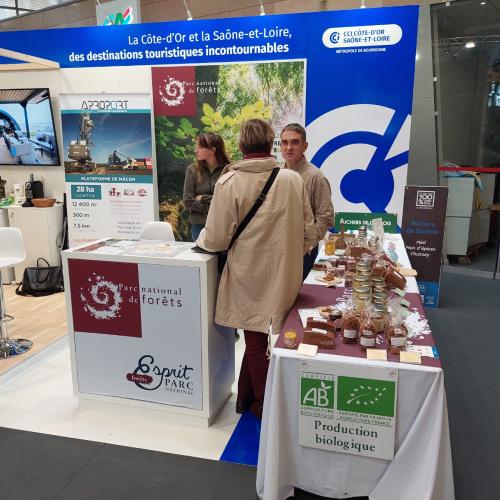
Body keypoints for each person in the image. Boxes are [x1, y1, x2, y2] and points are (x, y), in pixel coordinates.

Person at [196, 119, 316, 418]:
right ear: (272, 143)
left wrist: (201, 239)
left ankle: (265, 406)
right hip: (284, 272)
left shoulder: (229, 181)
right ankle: (247, 398)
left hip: (246, 273)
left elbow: (216, 238)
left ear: (240, 146)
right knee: (270, 337)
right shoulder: (291, 179)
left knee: (254, 339)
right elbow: (309, 233)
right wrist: (288, 255)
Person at [280, 123, 335, 279]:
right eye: (285, 142)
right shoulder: (277, 174)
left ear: (305, 146)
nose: (289, 147)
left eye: (295, 142)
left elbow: (326, 217)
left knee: (299, 296)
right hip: (279, 248)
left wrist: (308, 245)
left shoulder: (316, 177)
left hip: (302, 251)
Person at [183, 133, 231, 241]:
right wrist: (212, 207)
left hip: (222, 225)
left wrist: (203, 198)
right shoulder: (192, 170)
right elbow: (187, 201)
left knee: (222, 257)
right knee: (200, 258)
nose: (196, 150)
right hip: (198, 226)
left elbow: (228, 200)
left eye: (200, 147)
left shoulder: (228, 170)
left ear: (212, 150)